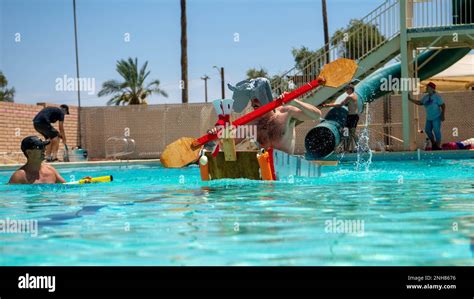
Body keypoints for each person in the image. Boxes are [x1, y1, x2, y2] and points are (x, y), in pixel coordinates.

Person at [210, 78, 323, 154]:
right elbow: (229, 142)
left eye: (257, 100)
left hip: (287, 176)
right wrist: (218, 135)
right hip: (265, 170)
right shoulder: (253, 122)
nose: (253, 103)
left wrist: (295, 102)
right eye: (252, 101)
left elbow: (316, 115)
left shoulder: (287, 112)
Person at [321, 84, 359, 152]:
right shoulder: (355, 96)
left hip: (352, 116)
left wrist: (327, 105)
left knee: (351, 132)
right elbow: (351, 105)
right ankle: (347, 148)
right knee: (347, 131)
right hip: (354, 116)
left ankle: (359, 146)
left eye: (347, 89)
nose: (346, 90)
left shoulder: (349, 97)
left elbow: (339, 105)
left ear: (350, 89)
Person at [408, 82, 445, 150]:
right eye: (427, 87)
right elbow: (420, 102)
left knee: (436, 131)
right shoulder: (426, 97)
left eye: (428, 87)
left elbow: (443, 105)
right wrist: (410, 99)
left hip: (436, 117)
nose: (426, 88)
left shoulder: (437, 97)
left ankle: (438, 146)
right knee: (427, 130)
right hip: (429, 118)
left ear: (432, 89)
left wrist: (442, 114)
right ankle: (433, 143)